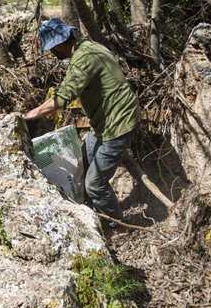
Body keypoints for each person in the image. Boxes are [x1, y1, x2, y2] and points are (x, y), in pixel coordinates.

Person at [23, 18, 140, 224]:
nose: (52, 53)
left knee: (94, 183)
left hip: (118, 125)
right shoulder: (89, 47)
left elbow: (61, 98)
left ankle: (118, 223)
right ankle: (91, 212)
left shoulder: (84, 58)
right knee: (83, 166)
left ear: (58, 45)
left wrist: (28, 116)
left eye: (51, 49)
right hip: (104, 124)